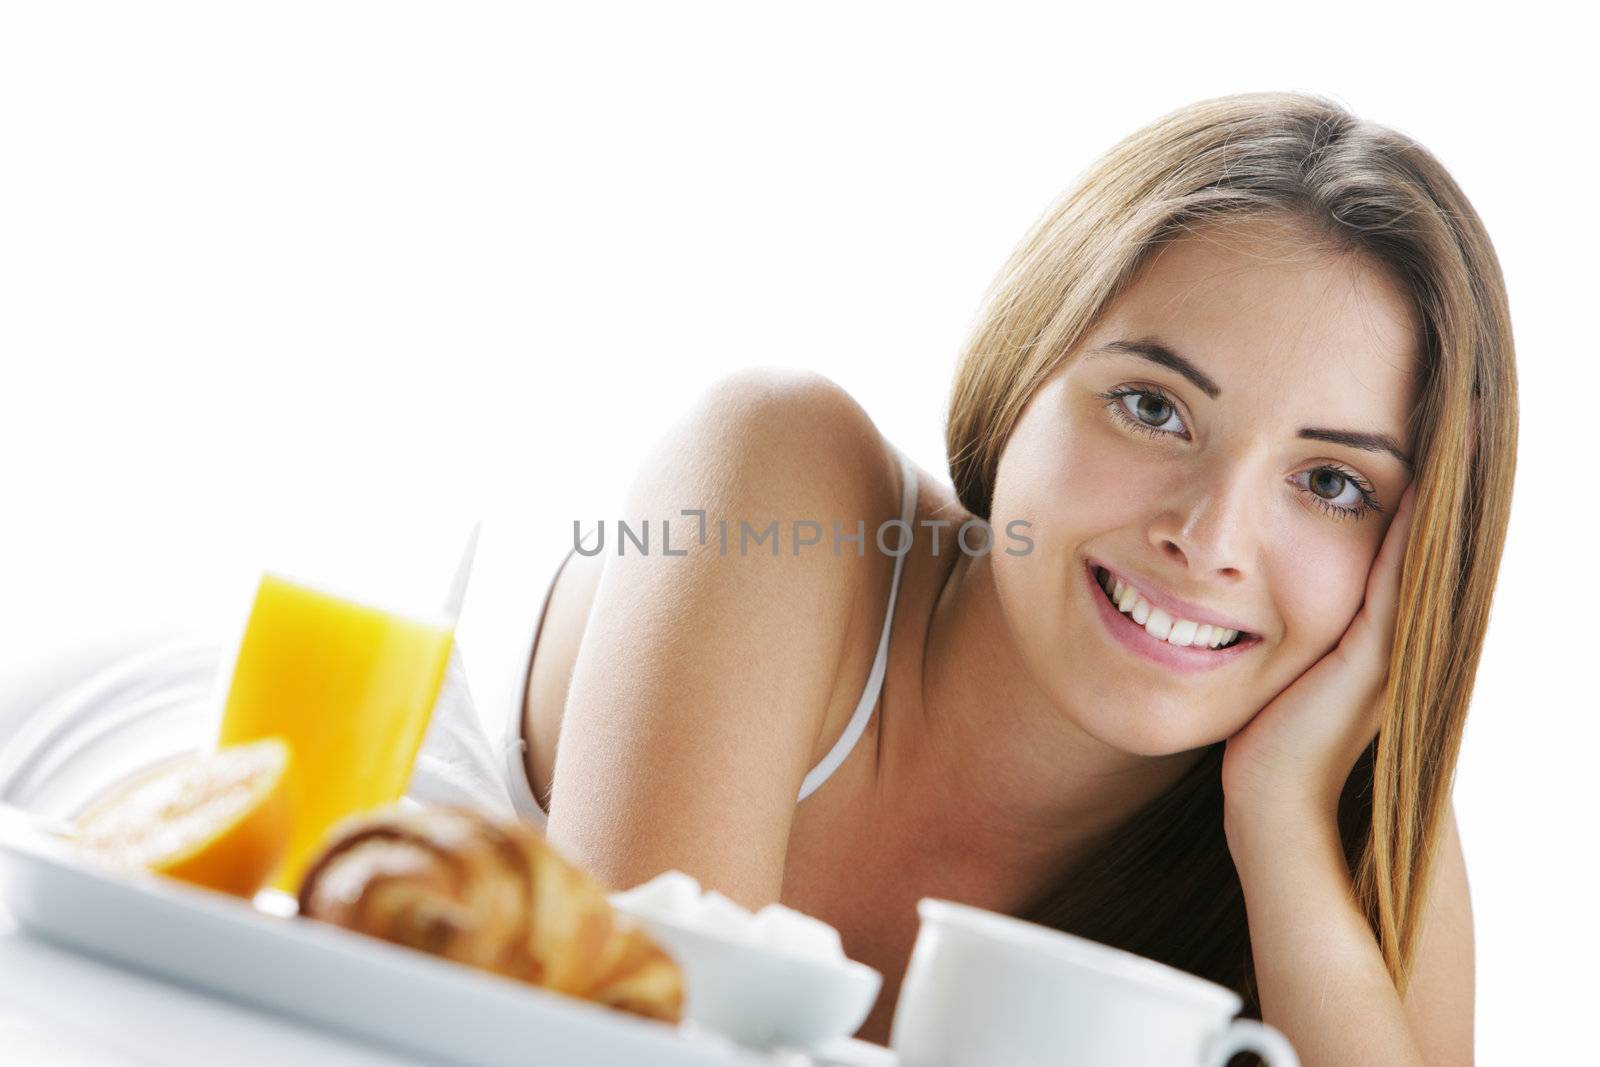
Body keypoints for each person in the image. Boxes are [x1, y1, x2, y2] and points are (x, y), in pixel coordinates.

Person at [414, 89, 1514, 1063]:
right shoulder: (781, 478)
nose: (1210, 536)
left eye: (1329, 482)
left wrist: (1277, 821)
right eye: (1152, 406)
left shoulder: (1349, 823)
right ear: (1022, 369)